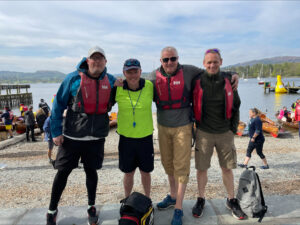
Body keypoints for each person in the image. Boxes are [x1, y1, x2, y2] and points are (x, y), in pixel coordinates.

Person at [150, 46, 238, 225]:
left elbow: (213, 70)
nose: (169, 62)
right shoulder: (152, 76)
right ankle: (173, 196)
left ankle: (179, 208)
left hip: (184, 126)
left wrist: (234, 74)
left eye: (173, 59)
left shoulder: (189, 71)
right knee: (168, 164)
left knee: (182, 167)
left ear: (178, 58)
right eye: (166, 60)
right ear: (160, 61)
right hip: (163, 126)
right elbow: (135, 84)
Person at [46, 46, 117, 225]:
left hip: (96, 139)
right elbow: (57, 106)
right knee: (62, 173)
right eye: (94, 58)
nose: (97, 61)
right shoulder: (72, 79)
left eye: (101, 58)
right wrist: (55, 132)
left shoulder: (111, 80)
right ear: (87, 60)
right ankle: (52, 210)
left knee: (91, 172)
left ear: (105, 62)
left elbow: (129, 87)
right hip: (71, 138)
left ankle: (91, 206)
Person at [191, 48, 245, 220]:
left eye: (215, 61)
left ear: (221, 62)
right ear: (204, 64)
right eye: (209, 62)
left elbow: (236, 105)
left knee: (227, 168)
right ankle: (201, 199)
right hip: (203, 132)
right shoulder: (197, 81)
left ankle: (231, 200)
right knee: (201, 169)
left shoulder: (229, 80)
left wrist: (233, 128)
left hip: (225, 132)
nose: (212, 65)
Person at [112, 58, 154, 198]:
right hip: (126, 138)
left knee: (145, 172)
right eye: (129, 72)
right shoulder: (117, 87)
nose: (132, 75)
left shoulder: (149, 86)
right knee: (128, 172)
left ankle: (147, 198)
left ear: (140, 71)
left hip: (145, 137)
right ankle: (126, 198)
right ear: (124, 73)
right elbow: (102, 104)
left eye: (135, 71)